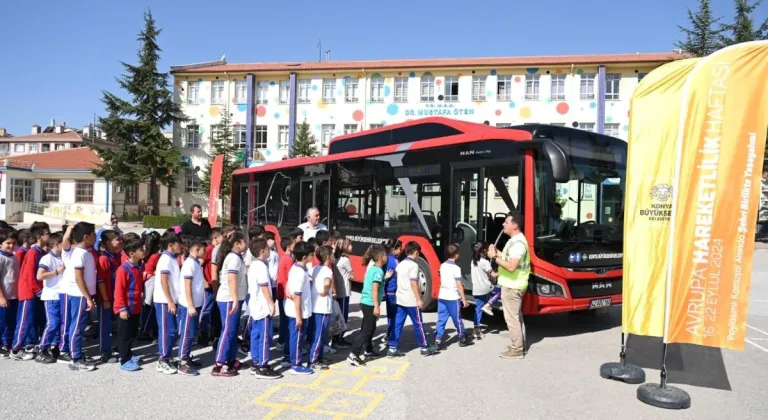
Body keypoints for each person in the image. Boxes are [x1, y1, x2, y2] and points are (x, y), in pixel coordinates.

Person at [487, 211, 529, 359]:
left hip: (513, 286)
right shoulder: (514, 241)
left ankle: (516, 349)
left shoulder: (518, 244)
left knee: (512, 319)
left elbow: (511, 266)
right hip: (514, 284)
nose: (503, 224)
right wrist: (497, 252)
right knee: (516, 317)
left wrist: (494, 258)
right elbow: (508, 259)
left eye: (506, 222)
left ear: (515, 225)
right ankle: (519, 344)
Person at [387, 241, 439, 358]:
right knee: (418, 323)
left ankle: (392, 347)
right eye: (418, 254)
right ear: (415, 252)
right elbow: (414, 283)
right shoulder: (414, 266)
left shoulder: (400, 264)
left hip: (400, 299)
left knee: (398, 323)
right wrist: (419, 299)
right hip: (411, 300)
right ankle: (424, 347)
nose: (418, 256)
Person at [63, 222, 98, 372]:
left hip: (79, 295)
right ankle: (75, 358)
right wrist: (88, 297)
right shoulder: (80, 253)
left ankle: (75, 353)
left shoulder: (80, 251)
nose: (96, 237)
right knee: (77, 328)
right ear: (86, 237)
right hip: (79, 295)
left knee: (75, 326)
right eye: (94, 234)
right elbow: (79, 278)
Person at [349, 244, 391, 367]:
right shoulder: (378, 271)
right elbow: (374, 289)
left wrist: (385, 277)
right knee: (366, 330)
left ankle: (368, 350)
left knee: (370, 328)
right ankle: (353, 354)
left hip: (365, 302)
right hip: (370, 303)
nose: (387, 258)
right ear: (381, 257)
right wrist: (377, 306)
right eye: (385, 256)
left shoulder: (374, 269)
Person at [213, 231, 248, 377]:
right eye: (244, 241)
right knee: (228, 330)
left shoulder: (237, 257)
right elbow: (231, 279)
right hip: (228, 299)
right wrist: (234, 299)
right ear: (237, 244)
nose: (247, 244)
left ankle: (231, 359)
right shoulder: (233, 258)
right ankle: (219, 364)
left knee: (233, 331)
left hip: (235, 298)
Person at [12, 224, 49, 360]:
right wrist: (37, 289)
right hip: (29, 291)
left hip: (37, 292)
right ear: (39, 237)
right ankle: (16, 349)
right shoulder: (32, 253)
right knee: (25, 320)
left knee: (35, 320)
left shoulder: (41, 252)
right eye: (47, 233)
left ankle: (30, 344)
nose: (49, 236)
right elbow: (28, 275)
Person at [247, 238, 281, 379]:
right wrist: (271, 303)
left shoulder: (254, 265)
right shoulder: (261, 266)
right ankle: (263, 365)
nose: (269, 250)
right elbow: (264, 286)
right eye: (268, 249)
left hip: (255, 305)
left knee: (256, 334)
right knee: (265, 336)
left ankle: (256, 361)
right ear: (262, 251)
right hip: (262, 306)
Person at [113, 237, 145, 372]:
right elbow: (119, 291)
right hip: (125, 309)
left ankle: (129, 354)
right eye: (140, 249)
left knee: (132, 333)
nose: (144, 251)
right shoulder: (123, 269)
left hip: (135, 307)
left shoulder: (138, 266)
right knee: (124, 336)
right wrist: (122, 308)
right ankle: (124, 359)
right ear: (132, 253)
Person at [153, 230, 182, 374]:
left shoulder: (172, 258)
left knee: (172, 331)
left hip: (171, 300)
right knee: (167, 331)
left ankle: (168, 356)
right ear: (171, 245)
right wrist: (170, 301)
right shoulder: (165, 259)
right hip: (164, 301)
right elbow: (163, 281)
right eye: (178, 243)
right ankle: (162, 360)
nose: (181, 246)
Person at [283, 241, 314, 375]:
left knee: (293, 335)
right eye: (311, 254)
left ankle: (289, 357)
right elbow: (297, 296)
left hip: (297, 309)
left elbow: (289, 284)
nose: (313, 256)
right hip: (298, 311)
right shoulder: (299, 273)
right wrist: (299, 317)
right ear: (305, 257)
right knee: (297, 337)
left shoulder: (298, 268)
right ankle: (296, 364)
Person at [35, 232, 66, 363]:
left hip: (62, 295)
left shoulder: (63, 257)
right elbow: (40, 276)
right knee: (52, 323)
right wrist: (57, 272)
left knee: (59, 324)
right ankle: (42, 349)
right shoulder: (47, 258)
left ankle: (55, 347)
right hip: (51, 295)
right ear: (57, 244)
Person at [177, 239, 206, 376]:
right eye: (203, 250)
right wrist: (190, 305)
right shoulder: (189, 264)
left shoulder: (195, 263)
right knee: (187, 333)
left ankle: (187, 357)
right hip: (190, 305)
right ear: (196, 250)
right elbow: (187, 285)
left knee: (192, 332)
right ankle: (182, 362)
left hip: (196, 304)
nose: (205, 252)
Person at [435, 244, 472, 349]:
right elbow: (459, 285)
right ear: (456, 255)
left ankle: (438, 340)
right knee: (457, 319)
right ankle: (463, 337)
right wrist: (464, 300)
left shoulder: (442, 265)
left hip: (442, 296)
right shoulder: (456, 268)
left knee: (441, 319)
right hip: (452, 297)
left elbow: (443, 276)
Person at [96, 230, 121, 363]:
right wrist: (105, 299)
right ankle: (104, 352)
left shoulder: (114, 256)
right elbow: (100, 281)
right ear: (108, 242)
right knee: (104, 326)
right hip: (105, 298)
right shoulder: (104, 258)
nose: (119, 241)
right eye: (117, 239)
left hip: (113, 297)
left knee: (112, 325)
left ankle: (112, 348)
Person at [309, 245, 334, 370]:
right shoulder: (328, 270)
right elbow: (327, 283)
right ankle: (313, 359)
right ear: (328, 257)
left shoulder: (314, 269)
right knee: (320, 334)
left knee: (318, 332)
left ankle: (319, 356)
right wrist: (326, 290)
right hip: (323, 307)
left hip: (315, 305)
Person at [470, 241, 499, 340]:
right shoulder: (485, 262)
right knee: (500, 291)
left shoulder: (473, 261)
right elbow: (493, 275)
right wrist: (503, 270)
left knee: (478, 309)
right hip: (486, 287)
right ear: (484, 251)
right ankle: (489, 304)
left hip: (476, 288)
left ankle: (476, 329)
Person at [0, 229, 20, 358]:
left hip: (14, 295)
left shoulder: (13, 256)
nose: (11, 246)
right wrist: (1, 297)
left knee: (11, 321)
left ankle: (7, 343)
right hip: (4, 296)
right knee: (2, 321)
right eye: (8, 243)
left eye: (14, 243)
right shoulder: (1, 258)